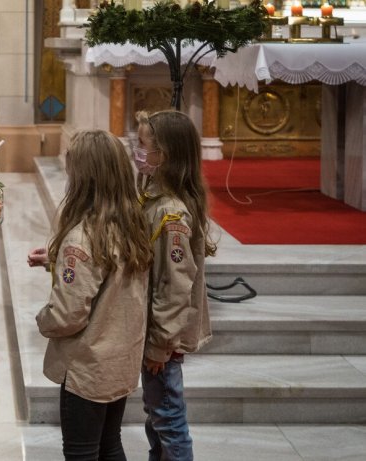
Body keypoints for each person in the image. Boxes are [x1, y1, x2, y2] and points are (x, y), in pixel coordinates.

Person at [28, 130, 153, 460]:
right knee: (110, 443)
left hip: (88, 367)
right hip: (118, 361)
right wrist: (57, 260)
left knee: (82, 452)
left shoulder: (81, 238)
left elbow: (68, 314)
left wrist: (43, 320)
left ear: (82, 177)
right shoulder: (131, 223)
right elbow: (109, 278)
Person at [132, 110, 217, 461]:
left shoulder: (172, 214)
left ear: (164, 154)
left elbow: (176, 286)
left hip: (161, 337)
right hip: (152, 331)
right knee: (157, 413)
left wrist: (160, 343)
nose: (138, 152)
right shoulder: (153, 195)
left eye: (143, 146)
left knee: (168, 416)